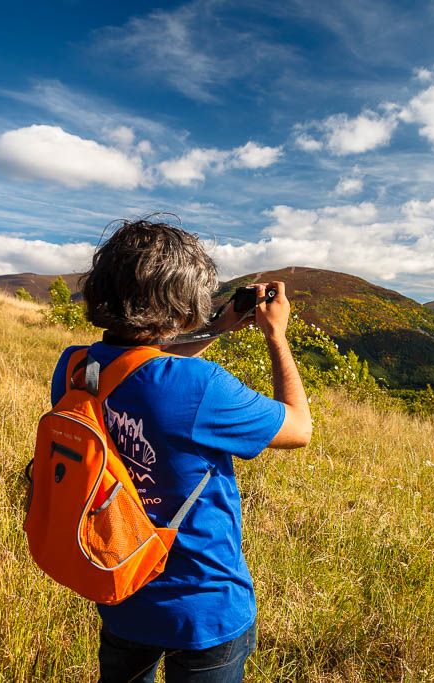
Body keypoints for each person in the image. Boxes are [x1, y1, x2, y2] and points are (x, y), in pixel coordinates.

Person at [49, 218, 311, 682]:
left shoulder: (75, 369)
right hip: (203, 608)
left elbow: (138, 368)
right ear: (181, 301)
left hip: (118, 582)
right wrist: (277, 336)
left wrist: (220, 326)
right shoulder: (200, 386)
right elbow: (299, 427)